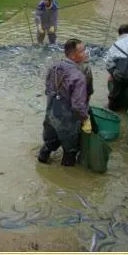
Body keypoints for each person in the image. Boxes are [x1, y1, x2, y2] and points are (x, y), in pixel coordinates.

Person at [37, 38, 92, 166]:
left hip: (51, 115)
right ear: (74, 55)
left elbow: (47, 88)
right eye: (83, 51)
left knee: (48, 144)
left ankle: (41, 164)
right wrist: (85, 119)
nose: (86, 53)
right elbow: (78, 105)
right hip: (68, 121)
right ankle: (64, 180)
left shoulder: (53, 67)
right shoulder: (79, 76)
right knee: (70, 150)